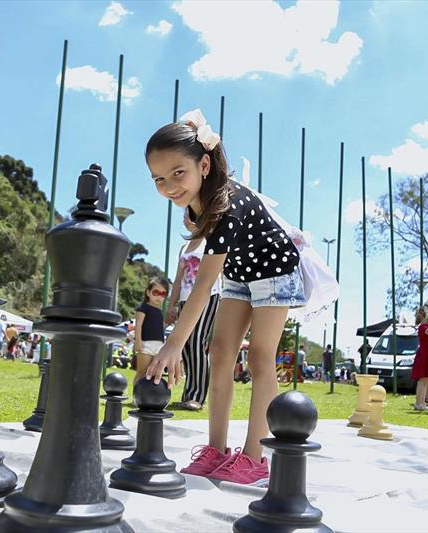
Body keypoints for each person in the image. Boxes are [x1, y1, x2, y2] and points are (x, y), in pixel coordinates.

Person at [143, 109, 305, 486]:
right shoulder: (199, 201)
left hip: (275, 269)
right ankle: (217, 450)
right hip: (242, 272)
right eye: (159, 179)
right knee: (218, 351)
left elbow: (202, 287)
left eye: (177, 173)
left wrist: (174, 344)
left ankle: (254, 457)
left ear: (203, 164)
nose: (169, 186)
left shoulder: (226, 203)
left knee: (262, 357)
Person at [166, 209, 222, 411]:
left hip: (209, 296)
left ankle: (197, 396)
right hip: (185, 299)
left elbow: (220, 273)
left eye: (189, 215)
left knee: (197, 340)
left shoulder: (212, 241)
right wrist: (171, 304)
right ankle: (189, 393)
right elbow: (178, 279)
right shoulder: (184, 247)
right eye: (184, 216)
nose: (185, 219)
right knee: (187, 345)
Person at [134, 278, 169, 384]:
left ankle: (150, 398)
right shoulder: (143, 307)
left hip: (159, 345)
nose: (159, 296)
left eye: (163, 294)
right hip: (145, 344)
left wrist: (168, 322)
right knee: (142, 372)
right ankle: (136, 398)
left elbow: (158, 328)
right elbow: (138, 325)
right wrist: (138, 341)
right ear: (148, 292)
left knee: (154, 373)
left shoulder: (159, 311)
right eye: (156, 292)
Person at [411, 308, 428, 411]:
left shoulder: (427, 326)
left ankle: (422, 402)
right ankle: (418, 403)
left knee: (426, 379)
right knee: (422, 380)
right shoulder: (423, 327)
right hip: (424, 354)